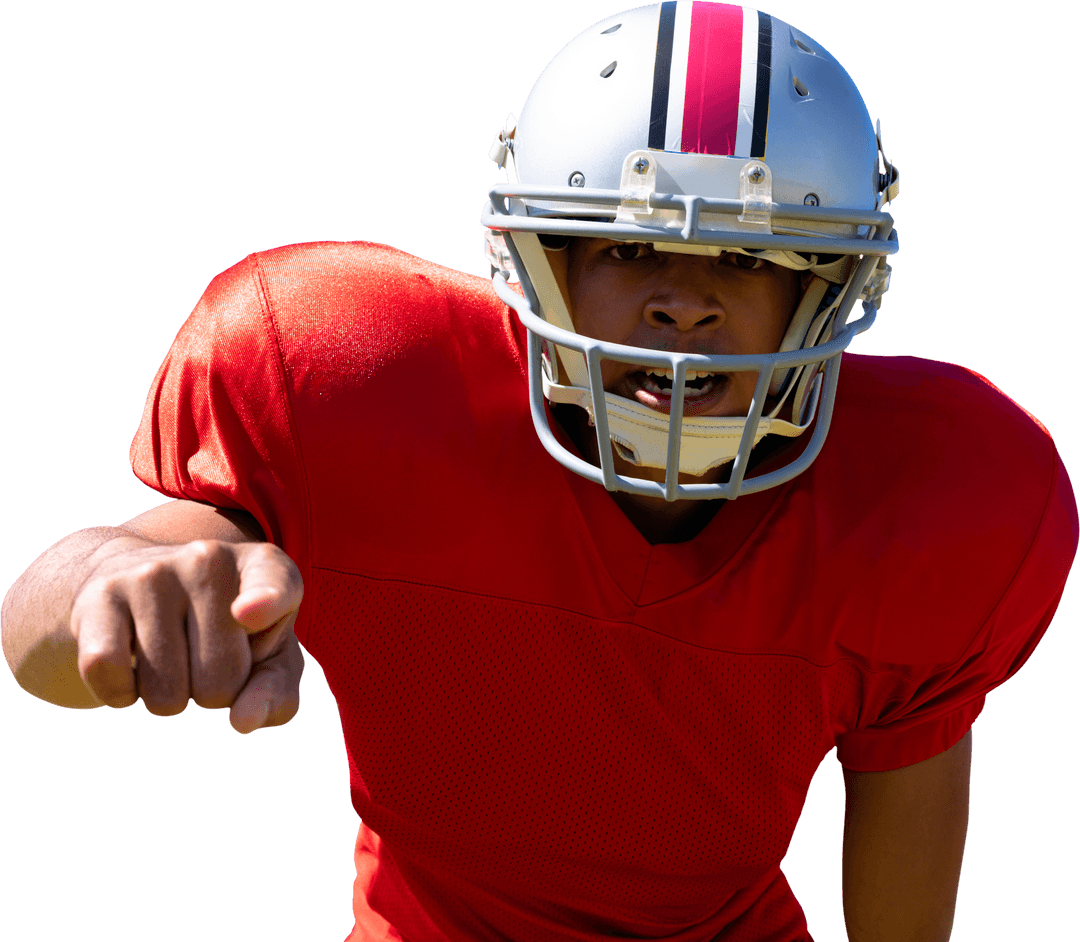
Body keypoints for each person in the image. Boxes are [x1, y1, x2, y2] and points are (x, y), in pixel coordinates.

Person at [2, 3, 1076, 941]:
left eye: (752, 258)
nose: (684, 302)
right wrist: (107, 581)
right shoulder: (351, 373)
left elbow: (906, 801)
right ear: (534, 260)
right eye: (623, 247)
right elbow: (66, 618)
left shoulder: (942, 492)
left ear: (833, 290)